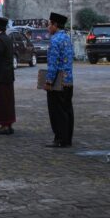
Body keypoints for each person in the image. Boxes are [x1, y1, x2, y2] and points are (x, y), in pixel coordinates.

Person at [45, 12, 74, 148]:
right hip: (69, 81)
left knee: (57, 111)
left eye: (49, 24)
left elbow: (53, 64)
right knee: (67, 110)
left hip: (58, 82)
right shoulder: (67, 38)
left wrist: (49, 81)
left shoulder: (55, 40)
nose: (48, 27)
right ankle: (67, 138)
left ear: (55, 25)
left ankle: (60, 139)